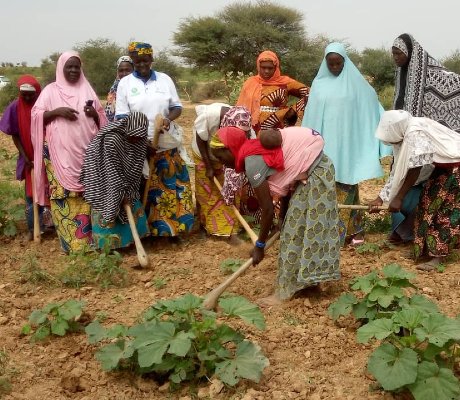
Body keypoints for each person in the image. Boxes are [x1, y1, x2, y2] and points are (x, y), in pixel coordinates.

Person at [210, 126, 341, 307]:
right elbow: (287, 183)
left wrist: (260, 246)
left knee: (294, 234)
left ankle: (285, 294)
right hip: (317, 168)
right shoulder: (253, 152)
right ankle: (308, 285)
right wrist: (282, 220)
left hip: (315, 173)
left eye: (220, 157)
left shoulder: (252, 162)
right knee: (299, 230)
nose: (223, 164)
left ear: (229, 148)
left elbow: (267, 209)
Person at [302, 42, 391, 246]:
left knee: (348, 183)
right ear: (325, 63)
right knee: (328, 187)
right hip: (324, 146)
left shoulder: (357, 85)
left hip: (349, 145)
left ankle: (347, 234)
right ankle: (343, 232)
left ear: (345, 61)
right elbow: (311, 117)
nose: (335, 67)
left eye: (338, 63)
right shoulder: (318, 85)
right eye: (331, 64)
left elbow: (371, 105)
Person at [115, 42, 194, 240]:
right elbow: (122, 117)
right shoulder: (125, 84)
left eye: (145, 60)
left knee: (172, 185)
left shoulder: (164, 79)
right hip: (137, 143)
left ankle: (173, 231)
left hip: (166, 142)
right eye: (138, 61)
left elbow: (176, 107)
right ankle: (146, 232)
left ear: (151, 60)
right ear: (133, 61)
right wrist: (141, 141)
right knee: (145, 187)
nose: (142, 64)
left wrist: (168, 119)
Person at [31, 51, 108, 253]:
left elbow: (103, 120)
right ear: (61, 68)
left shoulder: (88, 90)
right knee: (64, 197)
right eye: (69, 66)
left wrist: (94, 115)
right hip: (59, 155)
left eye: (76, 67)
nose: (73, 70)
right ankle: (72, 244)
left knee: (88, 195)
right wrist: (57, 112)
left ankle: (93, 241)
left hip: (87, 154)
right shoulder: (50, 91)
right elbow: (36, 115)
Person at [370, 110, 460, 271]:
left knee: (443, 212)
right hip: (444, 169)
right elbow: (397, 171)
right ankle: (422, 250)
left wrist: (398, 197)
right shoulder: (408, 132)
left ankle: (437, 258)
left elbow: (415, 168)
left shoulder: (415, 133)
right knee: (426, 207)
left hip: (455, 169)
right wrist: (381, 197)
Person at [80, 112, 149, 250]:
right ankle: (106, 245)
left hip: (124, 176)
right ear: (127, 129)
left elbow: (136, 165)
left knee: (131, 200)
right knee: (109, 200)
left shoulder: (140, 139)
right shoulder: (112, 139)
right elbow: (112, 171)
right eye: (133, 136)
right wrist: (121, 194)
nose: (136, 139)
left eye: (139, 137)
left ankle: (128, 241)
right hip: (102, 174)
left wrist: (127, 190)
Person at [0, 75, 52, 239]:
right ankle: (33, 229)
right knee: (31, 194)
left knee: (50, 190)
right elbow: (15, 135)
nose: (28, 97)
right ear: (19, 93)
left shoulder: (44, 106)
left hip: (47, 156)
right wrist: (26, 158)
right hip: (28, 157)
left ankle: (49, 225)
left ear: (38, 93)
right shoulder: (15, 107)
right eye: (24, 94)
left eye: (32, 94)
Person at [192, 104, 254, 242]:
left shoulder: (246, 128)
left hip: (229, 156)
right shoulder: (211, 116)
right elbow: (200, 138)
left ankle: (228, 229)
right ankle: (205, 225)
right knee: (207, 192)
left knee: (230, 191)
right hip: (204, 153)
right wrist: (208, 166)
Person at [392, 33, 460, 133]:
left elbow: (450, 83)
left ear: (408, 52)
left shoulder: (430, 72)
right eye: (393, 53)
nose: (395, 57)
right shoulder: (401, 72)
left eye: (399, 53)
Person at [237, 50, 309, 132]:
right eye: (263, 67)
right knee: (253, 145)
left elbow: (311, 94)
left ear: (276, 67)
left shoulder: (285, 83)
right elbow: (241, 107)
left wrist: (293, 111)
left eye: (270, 68)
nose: (266, 71)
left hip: (278, 127)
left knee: (277, 144)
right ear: (258, 66)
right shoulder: (250, 82)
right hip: (252, 128)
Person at [105, 56, 134, 122]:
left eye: (128, 70)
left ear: (133, 70)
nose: (124, 74)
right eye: (121, 70)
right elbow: (108, 113)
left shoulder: (139, 88)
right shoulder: (114, 90)